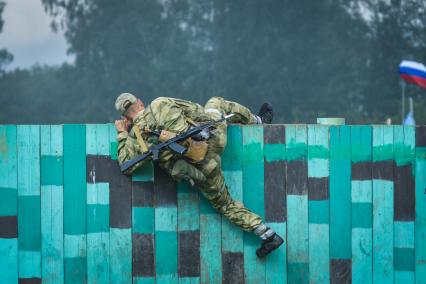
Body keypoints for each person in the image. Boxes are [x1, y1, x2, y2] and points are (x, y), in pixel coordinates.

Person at [114, 93, 283, 257]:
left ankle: (268, 235)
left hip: (200, 167)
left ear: (126, 118)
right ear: (140, 102)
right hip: (214, 138)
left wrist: (122, 132)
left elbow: (126, 165)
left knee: (226, 205)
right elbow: (197, 111)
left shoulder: (136, 137)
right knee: (216, 102)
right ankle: (258, 120)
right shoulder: (160, 103)